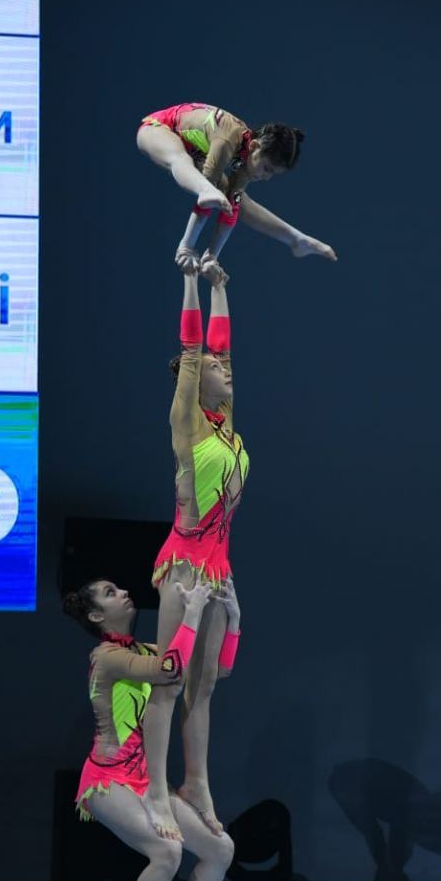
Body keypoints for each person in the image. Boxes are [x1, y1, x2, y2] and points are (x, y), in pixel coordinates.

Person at [64, 578, 236, 881]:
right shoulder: (105, 656)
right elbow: (171, 669)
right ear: (96, 616)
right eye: (110, 593)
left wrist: (233, 619)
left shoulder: (145, 652)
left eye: (118, 588)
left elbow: (216, 670)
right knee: (166, 852)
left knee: (220, 849)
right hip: (107, 781)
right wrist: (190, 612)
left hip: (144, 779)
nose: (123, 592)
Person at [145, 267, 244, 842]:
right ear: (191, 378)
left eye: (224, 366)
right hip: (183, 561)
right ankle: (158, 788)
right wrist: (188, 281)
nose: (223, 368)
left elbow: (222, 345)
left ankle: (197, 783)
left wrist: (221, 288)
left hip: (220, 563)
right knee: (170, 682)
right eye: (213, 368)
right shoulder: (188, 424)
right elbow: (194, 345)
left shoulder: (224, 424)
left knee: (204, 684)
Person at [137, 101, 337, 279]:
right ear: (255, 146)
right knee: (185, 164)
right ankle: (204, 191)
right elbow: (205, 201)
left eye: (272, 174)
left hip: (195, 152)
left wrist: (211, 257)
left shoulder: (247, 159)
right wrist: (186, 247)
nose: (266, 177)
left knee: (235, 199)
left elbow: (231, 210)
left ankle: (295, 239)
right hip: (159, 131)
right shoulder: (227, 140)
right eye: (267, 168)